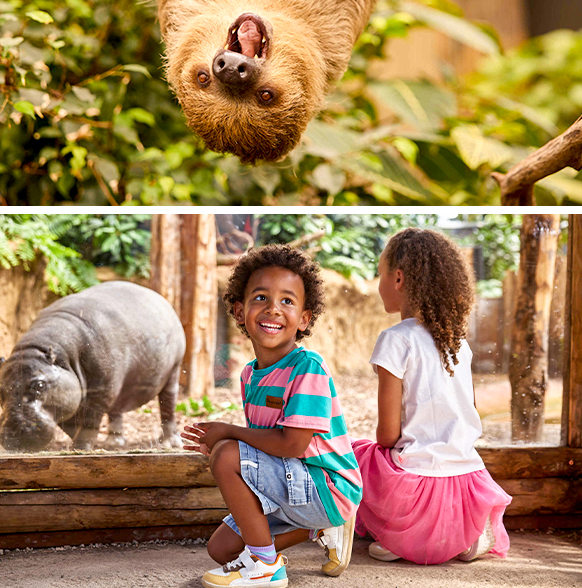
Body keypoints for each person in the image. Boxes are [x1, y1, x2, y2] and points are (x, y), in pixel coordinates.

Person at [183, 245, 361, 588]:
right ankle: (318, 528)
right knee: (221, 549)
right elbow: (266, 448)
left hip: (328, 486)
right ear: (239, 311)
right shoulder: (250, 374)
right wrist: (238, 453)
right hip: (295, 483)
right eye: (261, 297)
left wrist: (228, 437)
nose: (273, 309)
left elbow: (293, 444)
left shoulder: (308, 367)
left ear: (304, 319)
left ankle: (266, 566)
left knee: (227, 454)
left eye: (288, 301)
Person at [353, 227, 512, 564]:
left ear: (397, 279)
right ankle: (467, 535)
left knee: (355, 453)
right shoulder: (458, 343)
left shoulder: (395, 340)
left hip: (414, 487)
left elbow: (387, 435)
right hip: (467, 480)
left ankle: (404, 535)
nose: (378, 282)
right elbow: (468, 410)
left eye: (379, 274)